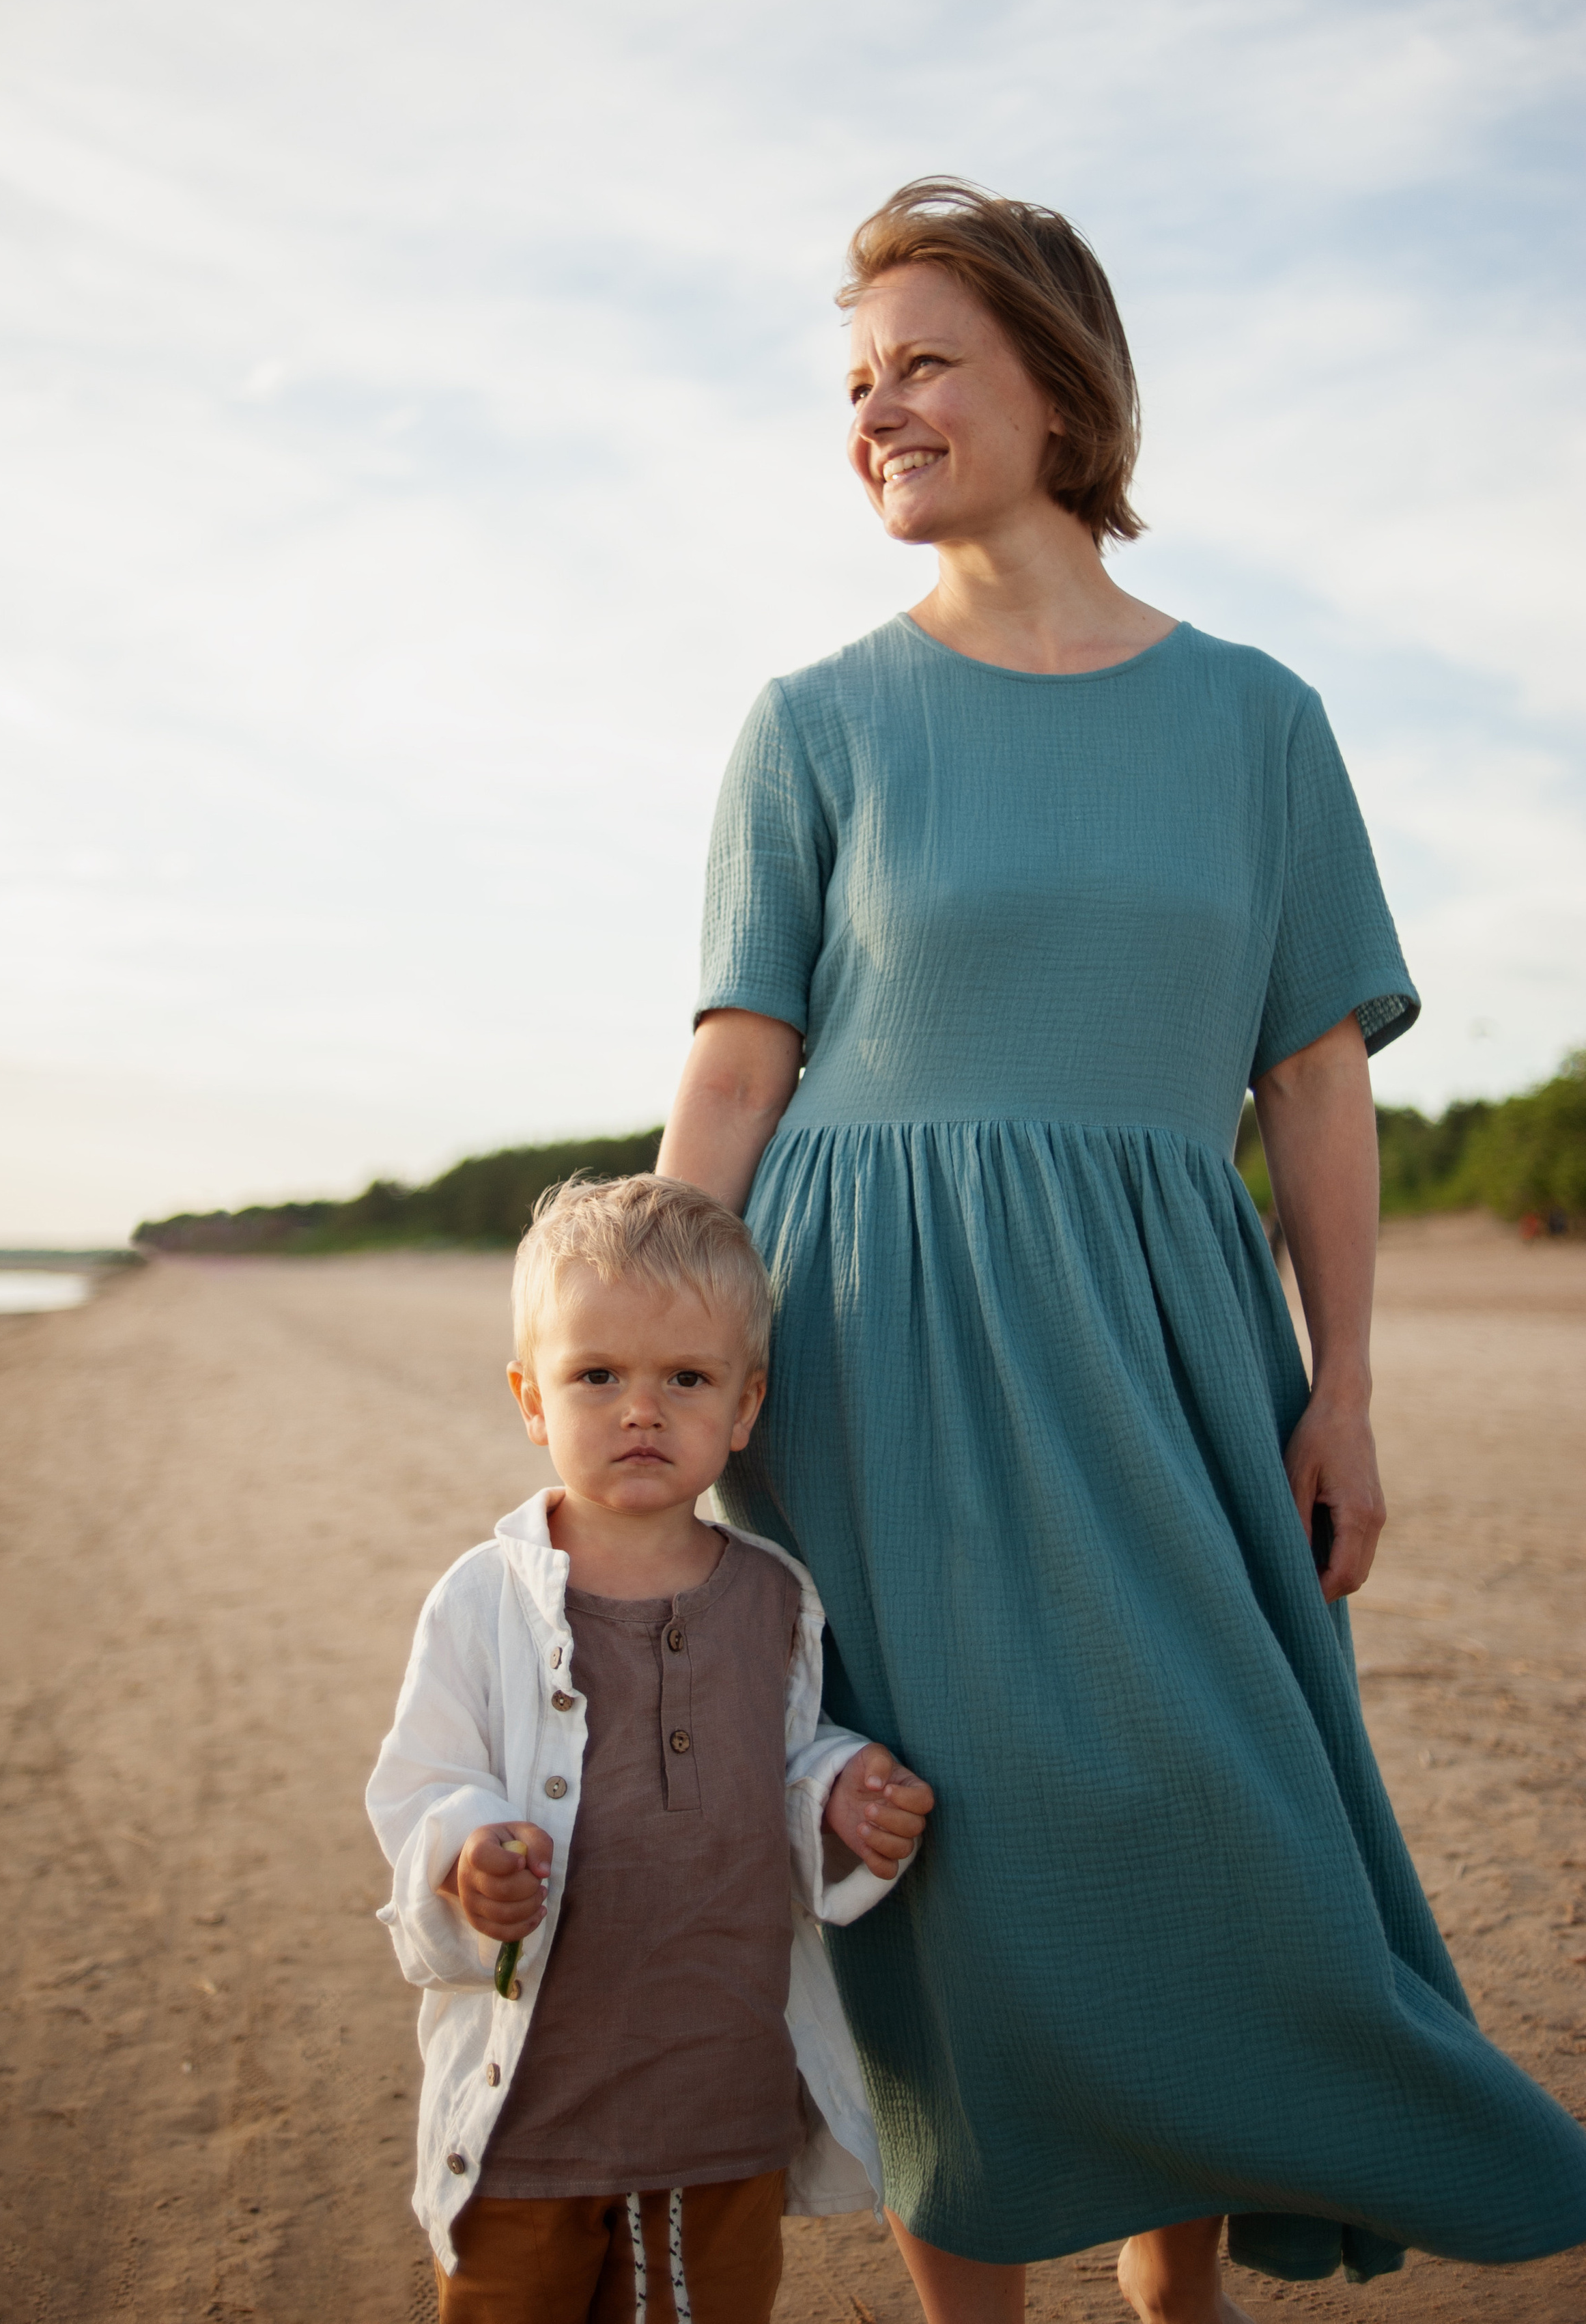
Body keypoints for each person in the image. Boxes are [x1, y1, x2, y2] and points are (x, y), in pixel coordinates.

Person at [657, 178, 1586, 2324]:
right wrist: (641, 1348)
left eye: (922, 361)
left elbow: (1318, 1085)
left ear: (1062, 392)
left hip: (1171, 1343)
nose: (876, 408)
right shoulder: (813, 720)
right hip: (870, 1356)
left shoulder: (1260, 719)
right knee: (931, 1851)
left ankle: (1183, 2299)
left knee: (1201, 1820)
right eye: (854, 379)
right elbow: (735, 1068)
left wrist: (1343, 1385)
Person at [367, 1171, 935, 2323]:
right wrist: (470, 1858)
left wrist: (838, 1787)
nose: (642, 1410)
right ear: (533, 1398)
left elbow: (781, 1753)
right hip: (533, 2112)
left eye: (685, 1379)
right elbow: (424, 1781)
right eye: (598, 1377)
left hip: (712, 2108)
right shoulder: (482, 1603)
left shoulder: (775, 1597)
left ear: (744, 1405)